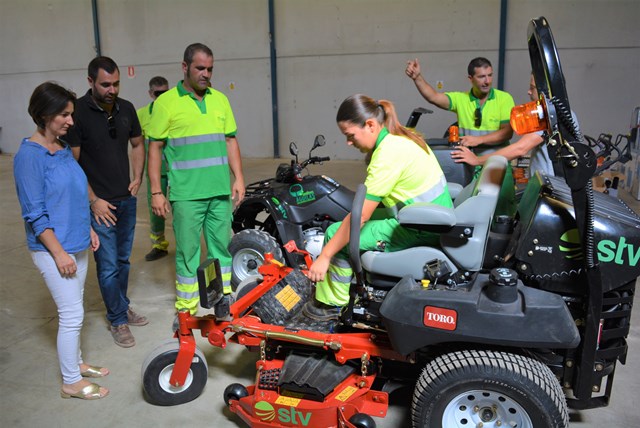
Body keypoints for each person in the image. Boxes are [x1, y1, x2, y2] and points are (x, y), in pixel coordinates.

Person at [305, 94, 454, 320]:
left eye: (350, 135)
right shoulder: (405, 138)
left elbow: (361, 216)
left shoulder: (387, 155)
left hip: (419, 228)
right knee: (349, 224)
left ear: (371, 125)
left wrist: (325, 256)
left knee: (335, 233)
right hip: (428, 218)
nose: (348, 142)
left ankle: (331, 306)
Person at [14, 82, 109, 399]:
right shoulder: (29, 157)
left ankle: (77, 363)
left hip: (77, 241)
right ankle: (71, 381)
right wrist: (59, 254)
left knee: (76, 308)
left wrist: (89, 229)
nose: (70, 121)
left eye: (71, 114)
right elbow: (35, 214)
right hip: (54, 250)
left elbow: (72, 193)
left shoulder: (63, 148)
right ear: (43, 115)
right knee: (71, 315)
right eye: (64, 115)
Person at [147, 43, 246, 317]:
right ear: (185, 67)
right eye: (200, 68)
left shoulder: (220, 99)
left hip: (218, 192)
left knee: (221, 251)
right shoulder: (165, 103)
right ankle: (186, 309)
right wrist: (156, 191)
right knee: (188, 255)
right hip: (186, 195)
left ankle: (222, 299)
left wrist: (238, 178)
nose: (206, 74)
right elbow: (154, 148)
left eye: (210, 69)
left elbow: (230, 140)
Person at [67, 56, 148, 348]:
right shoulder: (76, 112)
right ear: (90, 82)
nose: (112, 89)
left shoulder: (126, 108)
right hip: (100, 205)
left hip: (126, 200)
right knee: (108, 265)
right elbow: (72, 164)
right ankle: (117, 319)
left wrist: (137, 176)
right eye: (105, 84)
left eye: (115, 83)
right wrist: (93, 200)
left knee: (124, 261)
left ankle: (121, 305)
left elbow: (138, 144)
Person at [405, 57, 516, 216]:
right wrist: (417, 78)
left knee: (503, 213)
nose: (487, 81)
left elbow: (507, 132)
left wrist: (478, 140)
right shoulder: (461, 99)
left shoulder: (504, 99)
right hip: (470, 166)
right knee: (472, 211)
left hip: (497, 165)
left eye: (490, 75)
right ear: (470, 79)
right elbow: (434, 97)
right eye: (481, 76)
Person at [451, 74, 580, 178]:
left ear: (546, 91)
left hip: (553, 189)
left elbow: (520, 149)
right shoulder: (562, 113)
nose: (528, 92)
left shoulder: (551, 115)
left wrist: (476, 160)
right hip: (547, 185)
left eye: (532, 87)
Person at [137, 76, 170, 261]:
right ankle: (159, 245)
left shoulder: (174, 110)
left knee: (181, 210)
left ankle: (184, 243)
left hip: (176, 170)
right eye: (158, 93)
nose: (162, 96)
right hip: (156, 172)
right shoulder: (142, 115)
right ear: (151, 93)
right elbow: (138, 146)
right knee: (156, 211)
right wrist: (138, 175)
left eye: (165, 92)